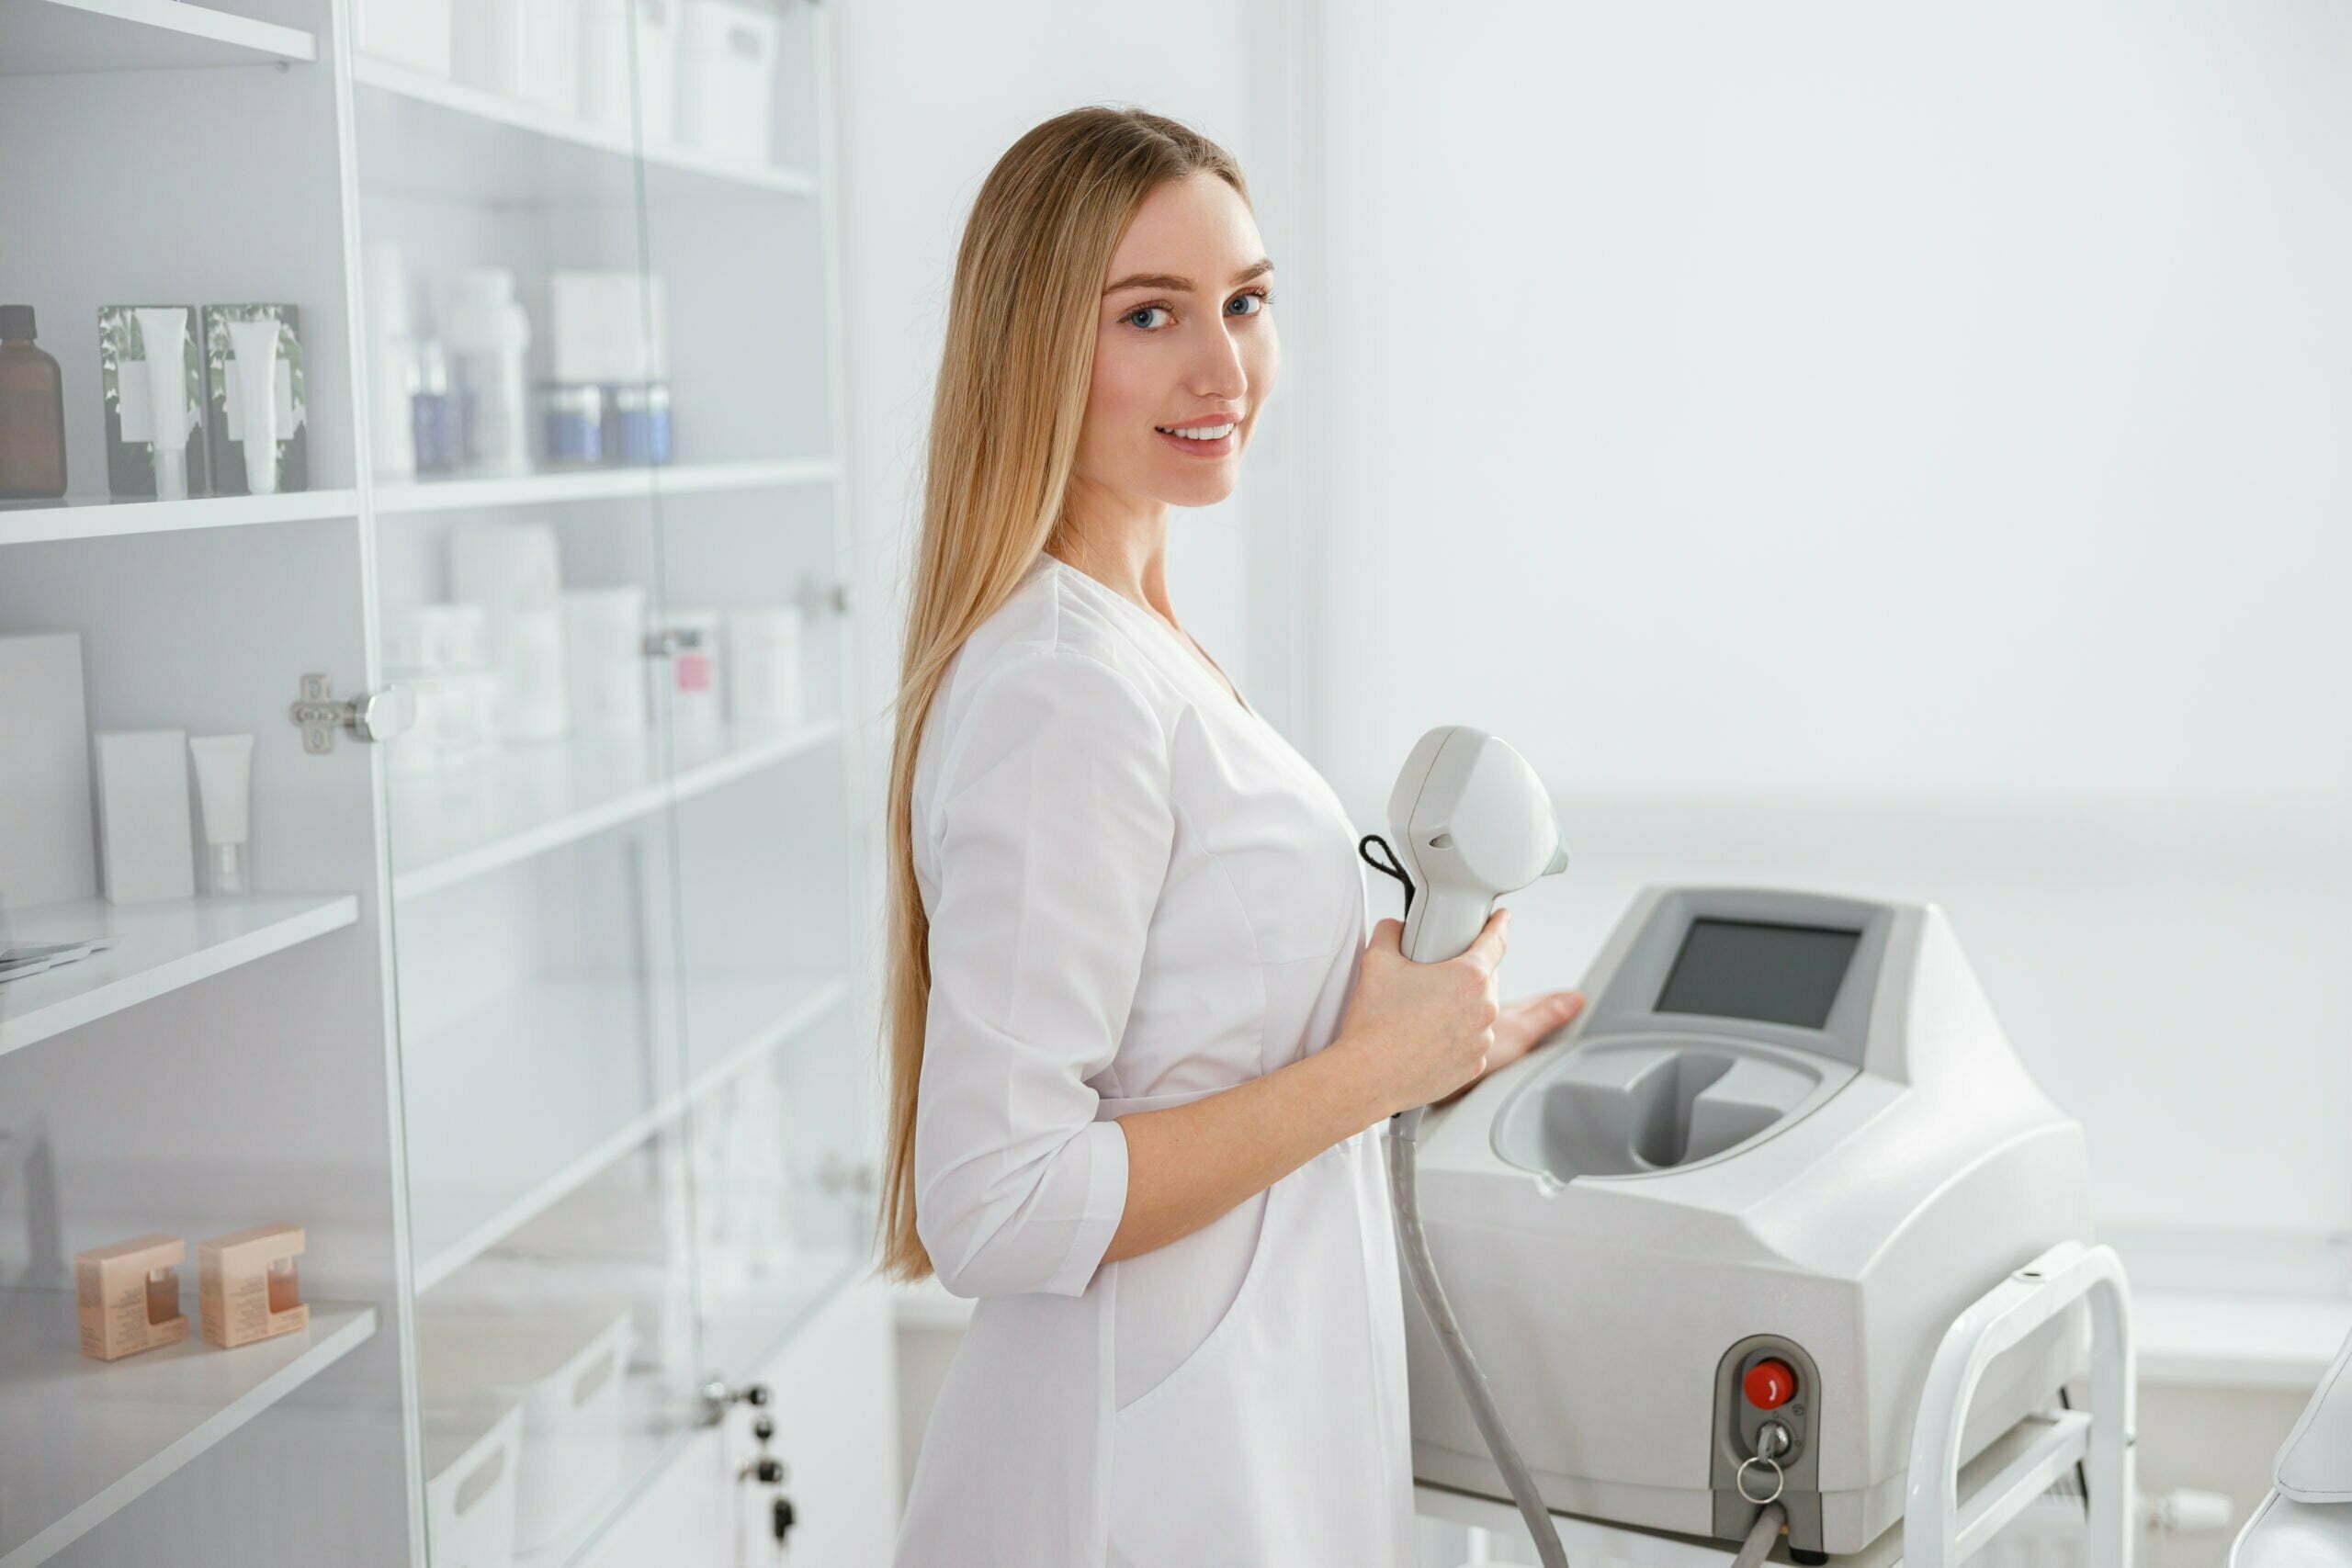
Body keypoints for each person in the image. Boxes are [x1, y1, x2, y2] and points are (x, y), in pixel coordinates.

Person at [879, 105, 1588, 1567]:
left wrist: (1435, 1042)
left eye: (1247, 303)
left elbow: (1183, 1031)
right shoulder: (1064, 691)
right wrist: (1372, 1070)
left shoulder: (1137, 644)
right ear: (1033, 346)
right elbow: (997, 1206)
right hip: (1122, 1490)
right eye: (1152, 314)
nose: (1225, 369)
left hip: (1227, 1442)